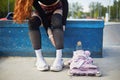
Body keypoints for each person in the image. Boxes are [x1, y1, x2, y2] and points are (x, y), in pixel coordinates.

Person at [13, 0, 68, 72]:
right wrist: (50, 34)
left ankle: (59, 59)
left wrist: (63, 23)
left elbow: (65, 3)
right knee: (32, 22)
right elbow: (42, 14)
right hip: (42, 9)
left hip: (56, 8)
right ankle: (39, 59)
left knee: (57, 22)